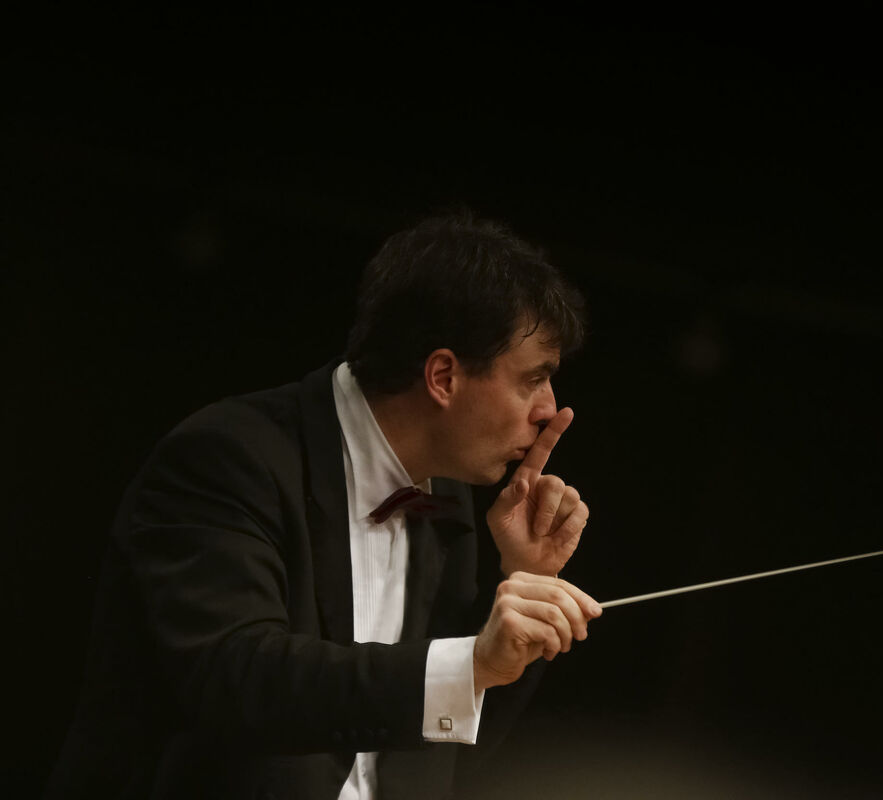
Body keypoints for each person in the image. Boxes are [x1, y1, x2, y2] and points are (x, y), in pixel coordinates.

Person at [46, 212, 602, 799]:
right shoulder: (227, 457)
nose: (548, 408)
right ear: (442, 376)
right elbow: (242, 680)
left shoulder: (446, 494)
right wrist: (470, 663)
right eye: (532, 380)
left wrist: (523, 578)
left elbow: (444, 745)